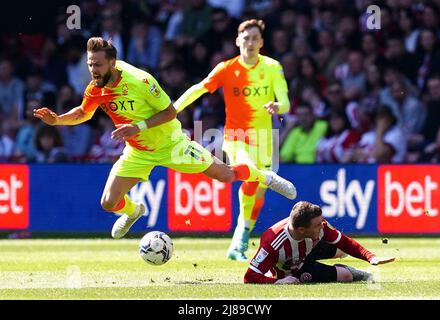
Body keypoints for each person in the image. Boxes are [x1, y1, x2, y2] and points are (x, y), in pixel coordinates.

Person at [33, 37, 296, 240]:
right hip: (138, 151)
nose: (93, 69)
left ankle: (265, 177)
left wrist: (139, 126)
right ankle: (135, 211)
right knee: (108, 203)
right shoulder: (97, 88)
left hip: (172, 145)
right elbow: (82, 113)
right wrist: (57, 120)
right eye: (90, 64)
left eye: (98, 64)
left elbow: (170, 112)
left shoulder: (140, 80)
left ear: (112, 62)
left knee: (226, 175)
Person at [174, 19, 291, 261]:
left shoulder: (272, 67)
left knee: (256, 192)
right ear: (238, 41)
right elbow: (198, 89)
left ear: (261, 42)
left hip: (266, 140)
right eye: (245, 38)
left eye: (254, 38)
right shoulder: (226, 69)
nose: (250, 42)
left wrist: (277, 106)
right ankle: (240, 234)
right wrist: (173, 110)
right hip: (236, 137)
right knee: (249, 170)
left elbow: (287, 103)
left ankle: (241, 237)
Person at [244, 201, 395, 284]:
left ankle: (342, 263)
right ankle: (349, 271)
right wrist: (278, 282)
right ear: (302, 229)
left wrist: (370, 257)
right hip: (294, 268)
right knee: (345, 276)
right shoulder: (273, 244)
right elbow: (249, 277)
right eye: (317, 225)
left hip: (308, 248)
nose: (322, 226)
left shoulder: (319, 226)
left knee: (341, 249)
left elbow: (344, 242)